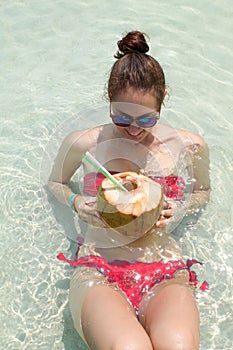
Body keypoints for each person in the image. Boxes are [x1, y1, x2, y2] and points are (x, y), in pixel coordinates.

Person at [48, 31, 210, 350]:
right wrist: (77, 201)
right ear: (108, 101)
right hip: (100, 268)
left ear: (164, 98)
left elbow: (202, 192)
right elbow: (55, 183)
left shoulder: (189, 147)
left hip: (162, 265)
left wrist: (179, 208)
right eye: (121, 118)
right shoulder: (85, 145)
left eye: (146, 119)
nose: (133, 130)